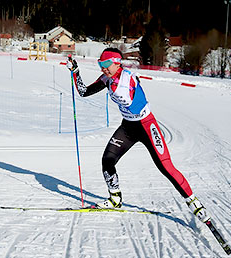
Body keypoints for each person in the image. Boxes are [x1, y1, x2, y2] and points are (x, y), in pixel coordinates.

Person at [67, 48, 210, 223]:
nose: (103, 68)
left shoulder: (127, 79)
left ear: (117, 62)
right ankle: (115, 199)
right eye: (100, 64)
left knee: (166, 167)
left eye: (105, 64)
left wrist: (117, 85)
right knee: (108, 160)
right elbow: (83, 92)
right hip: (128, 127)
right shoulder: (108, 78)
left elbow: (134, 102)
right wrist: (75, 72)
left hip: (146, 125)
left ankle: (194, 203)